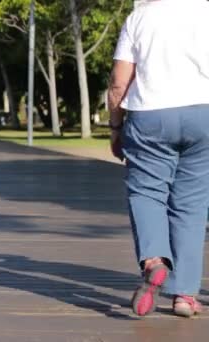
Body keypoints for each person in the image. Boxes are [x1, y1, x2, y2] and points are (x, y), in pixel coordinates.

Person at [109, 0, 209, 318]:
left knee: (147, 192)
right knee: (192, 204)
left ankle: (155, 261)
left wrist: (115, 127)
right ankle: (185, 296)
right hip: (204, 113)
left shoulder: (139, 17)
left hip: (150, 115)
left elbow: (118, 82)